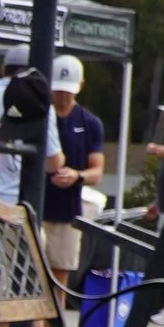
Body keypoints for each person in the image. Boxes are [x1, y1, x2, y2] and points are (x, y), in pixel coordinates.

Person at [40, 53, 107, 298]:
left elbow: (97, 171)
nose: (62, 96)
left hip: (67, 211)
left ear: (80, 86)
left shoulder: (90, 123)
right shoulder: (40, 116)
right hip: (36, 207)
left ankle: (53, 324)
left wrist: (77, 176)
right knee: (30, 274)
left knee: (59, 275)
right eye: (58, 90)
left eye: (68, 91)